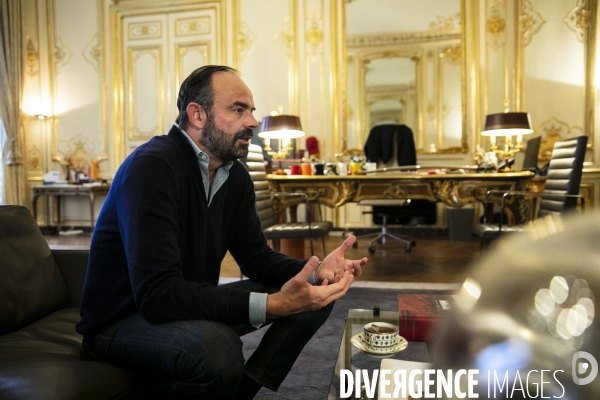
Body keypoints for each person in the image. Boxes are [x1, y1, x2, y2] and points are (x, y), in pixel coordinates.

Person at [76, 65, 367, 399]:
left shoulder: (235, 176)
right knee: (217, 346)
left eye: (251, 111)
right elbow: (157, 296)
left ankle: (242, 392)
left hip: (182, 301)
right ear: (197, 115)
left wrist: (316, 271)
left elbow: (256, 257)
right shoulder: (152, 168)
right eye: (238, 110)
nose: (253, 123)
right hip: (121, 322)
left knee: (316, 291)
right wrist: (275, 305)